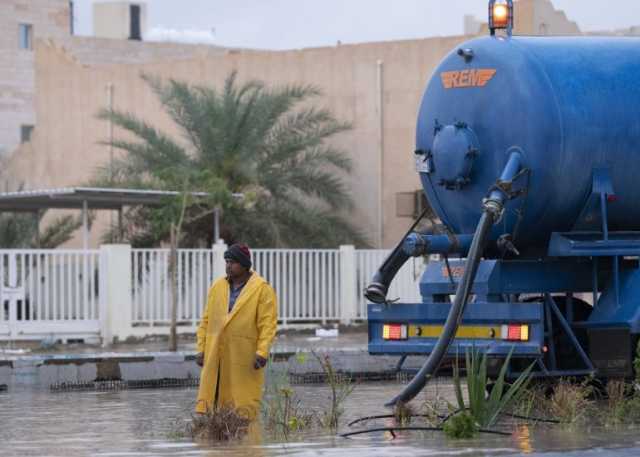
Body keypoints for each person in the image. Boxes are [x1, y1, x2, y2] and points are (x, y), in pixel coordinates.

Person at [194, 243, 278, 419]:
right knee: (214, 406)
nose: (228, 266)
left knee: (242, 409)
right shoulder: (218, 287)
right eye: (226, 262)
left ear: (244, 265)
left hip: (243, 356)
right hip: (215, 353)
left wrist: (262, 352)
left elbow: (267, 324)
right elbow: (206, 320)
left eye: (232, 262)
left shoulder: (262, 289)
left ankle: (244, 444)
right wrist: (201, 349)